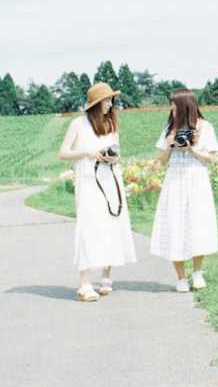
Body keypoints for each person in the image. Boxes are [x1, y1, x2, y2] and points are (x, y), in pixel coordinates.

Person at [58, 81, 137, 302]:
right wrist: (88, 152)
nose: (110, 104)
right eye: (107, 100)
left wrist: (112, 157)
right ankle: (84, 283)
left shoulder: (111, 124)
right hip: (88, 180)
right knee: (89, 227)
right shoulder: (78, 124)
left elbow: (117, 152)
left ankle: (106, 276)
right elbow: (63, 153)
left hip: (110, 177)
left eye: (112, 100)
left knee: (112, 223)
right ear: (95, 103)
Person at [149, 89, 218, 292]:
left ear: (184, 106)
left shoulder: (205, 127)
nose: (171, 108)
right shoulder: (169, 129)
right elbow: (160, 163)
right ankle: (181, 277)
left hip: (197, 179)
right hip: (174, 180)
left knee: (198, 223)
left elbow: (213, 158)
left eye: (173, 104)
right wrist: (169, 146)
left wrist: (192, 148)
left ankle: (198, 272)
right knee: (174, 224)